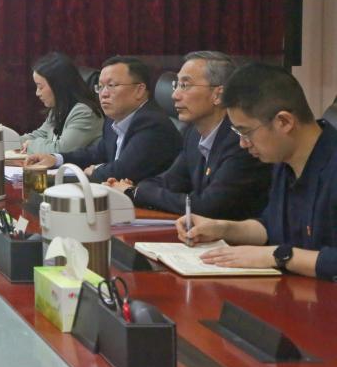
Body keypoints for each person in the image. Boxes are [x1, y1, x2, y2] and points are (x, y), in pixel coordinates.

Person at [177, 63, 337, 280]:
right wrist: (221, 228)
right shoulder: (283, 161)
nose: (242, 144)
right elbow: (270, 227)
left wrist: (280, 256)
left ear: (284, 122)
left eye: (246, 132)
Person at [106, 51, 272, 219]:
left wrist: (137, 192)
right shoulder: (193, 134)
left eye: (185, 85)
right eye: (176, 85)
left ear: (218, 95)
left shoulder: (240, 140)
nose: (174, 95)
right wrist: (138, 190)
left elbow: (207, 207)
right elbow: (167, 182)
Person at [25, 55, 181, 183]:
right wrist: (56, 159)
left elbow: (123, 171)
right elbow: (95, 153)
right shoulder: (114, 120)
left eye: (111, 85)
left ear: (139, 90)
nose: (104, 94)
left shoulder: (152, 124)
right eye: (100, 87)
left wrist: (95, 172)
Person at [19, 52, 104, 156]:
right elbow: (40, 134)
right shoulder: (58, 109)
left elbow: (61, 151)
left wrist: (31, 145)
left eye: (40, 87)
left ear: (58, 86)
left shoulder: (84, 112)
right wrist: (6, 141)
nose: (37, 93)